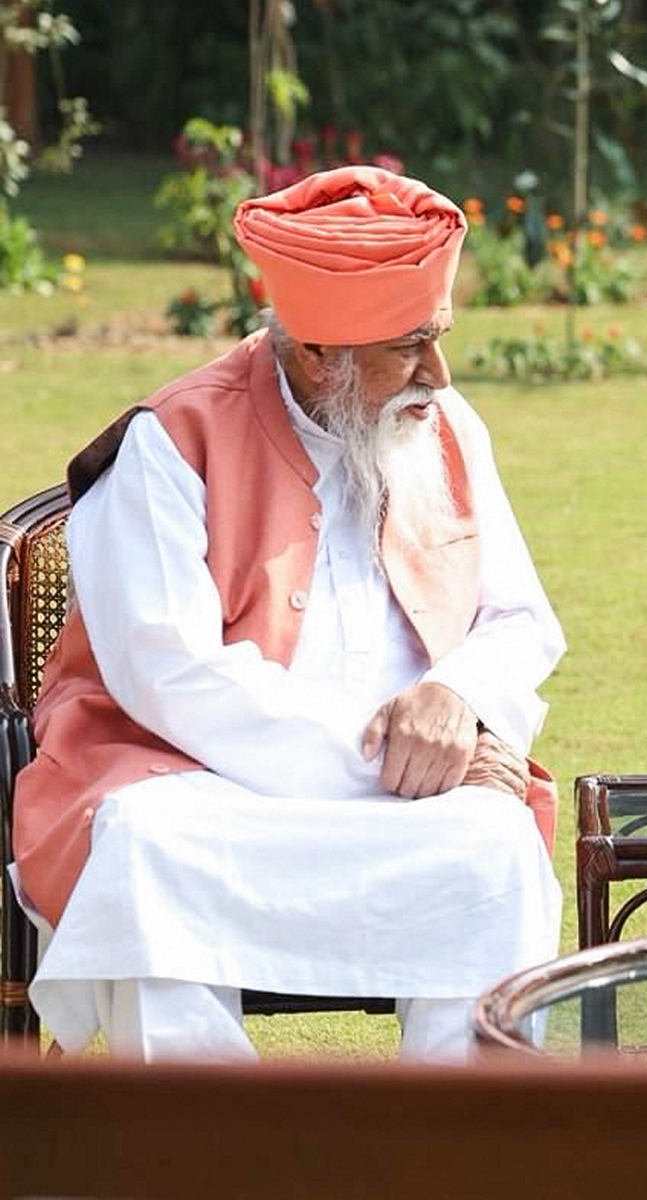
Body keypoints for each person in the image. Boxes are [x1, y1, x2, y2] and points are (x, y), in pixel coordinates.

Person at [12, 165, 566, 1064]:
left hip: (419, 790)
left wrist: (454, 697)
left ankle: (464, 1155)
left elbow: (520, 618)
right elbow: (172, 677)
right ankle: (212, 1168)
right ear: (316, 353)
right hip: (194, 782)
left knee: (494, 846)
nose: (441, 373)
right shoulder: (171, 441)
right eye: (410, 345)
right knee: (145, 853)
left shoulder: (447, 425)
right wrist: (392, 756)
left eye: (441, 337)